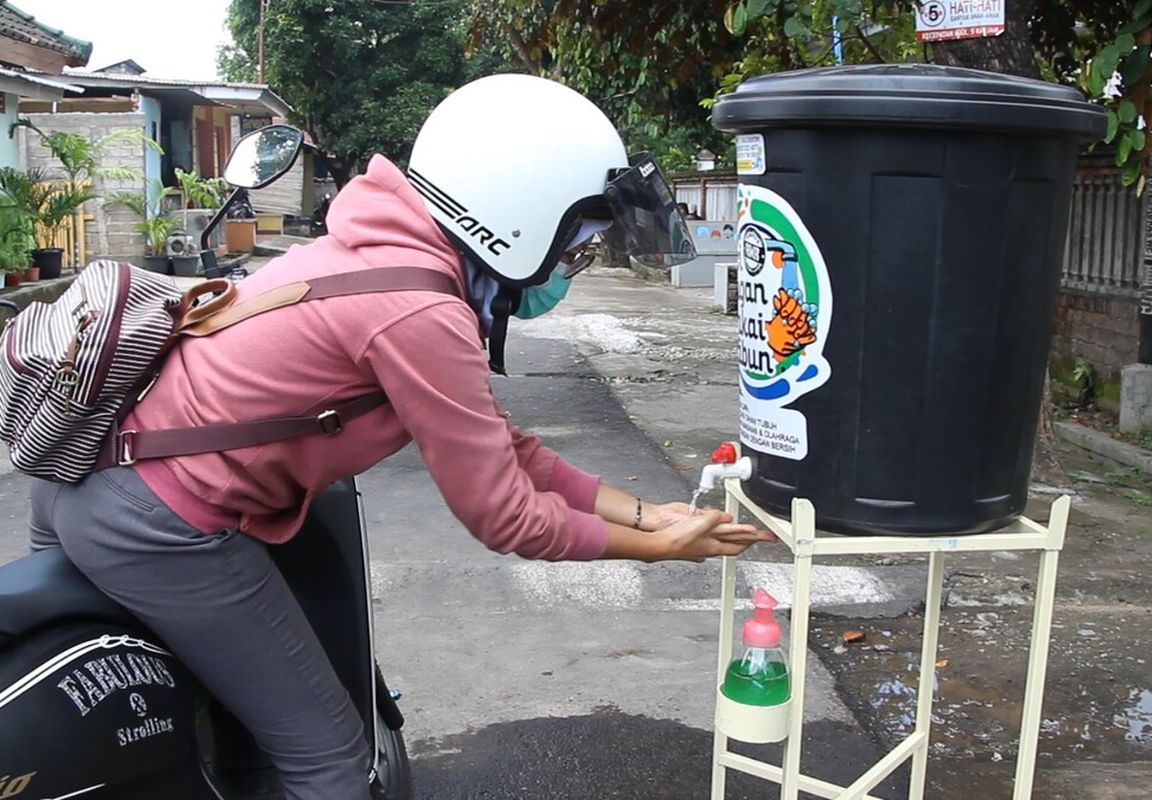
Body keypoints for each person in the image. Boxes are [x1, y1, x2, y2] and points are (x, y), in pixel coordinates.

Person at [27, 74, 772, 799]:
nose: (572, 264)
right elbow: (503, 515)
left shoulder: (380, 251)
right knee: (332, 764)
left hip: (82, 483)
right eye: (576, 243)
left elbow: (505, 449)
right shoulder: (421, 309)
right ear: (518, 214)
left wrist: (650, 515)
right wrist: (661, 549)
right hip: (159, 527)